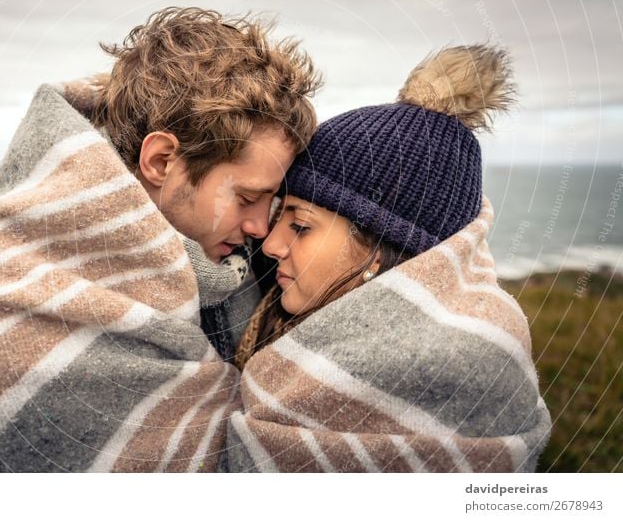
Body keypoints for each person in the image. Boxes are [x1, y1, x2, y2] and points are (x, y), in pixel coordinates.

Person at [0, 7, 321, 472]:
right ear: (162, 160)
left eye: (271, 203)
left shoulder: (238, 273)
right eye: (248, 196)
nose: (259, 227)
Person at [227, 44, 552, 472]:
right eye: (277, 214)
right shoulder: (254, 306)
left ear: (384, 249)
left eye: (301, 225)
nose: (271, 244)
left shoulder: (460, 366)